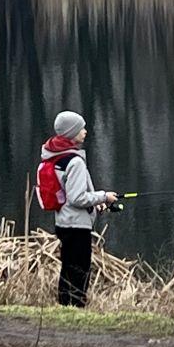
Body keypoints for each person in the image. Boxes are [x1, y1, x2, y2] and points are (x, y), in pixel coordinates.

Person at [40, 109, 117, 307]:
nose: (85, 131)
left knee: (68, 267)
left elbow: (68, 196)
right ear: (71, 133)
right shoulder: (74, 161)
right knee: (80, 269)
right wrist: (103, 196)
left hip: (63, 223)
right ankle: (76, 305)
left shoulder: (55, 157)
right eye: (81, 128)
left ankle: (65, 305)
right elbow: (76, 198)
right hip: (77, 227)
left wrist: (96, 203)